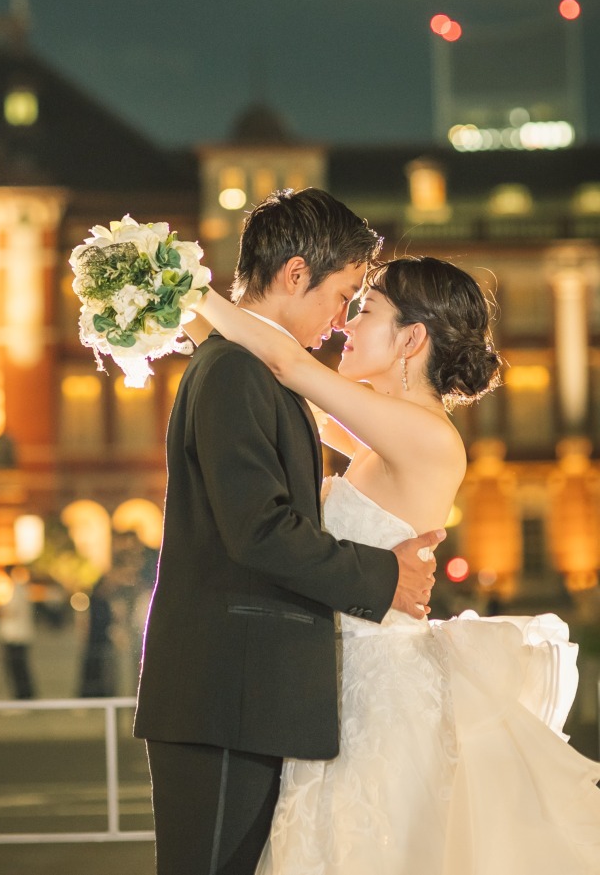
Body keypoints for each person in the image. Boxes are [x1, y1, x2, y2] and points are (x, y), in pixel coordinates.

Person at [193, 255, 600, 873]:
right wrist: (182, 324)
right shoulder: (387, 434)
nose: (346, 325)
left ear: (411, 339)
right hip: (343, 686)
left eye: (367, 309)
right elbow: (274, 390)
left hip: (382, 699)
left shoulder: (430, 438)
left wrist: (186, 285)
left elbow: (289, 366)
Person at [133, 189, 444, 875]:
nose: (340, 321)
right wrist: (385, 575)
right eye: (341, 295)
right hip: (225, 694)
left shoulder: (253, 370)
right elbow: (260, 530)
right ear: (296, 273)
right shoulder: (235, 371)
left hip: (246, 692)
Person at [0, 565, 37, 700]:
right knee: (20, 668)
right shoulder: (19, 589)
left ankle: (22, 698)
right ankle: (25, 697)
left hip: (15, 636)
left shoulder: (16, 590)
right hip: (17, 635)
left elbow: (12, 612)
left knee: (17, 669)